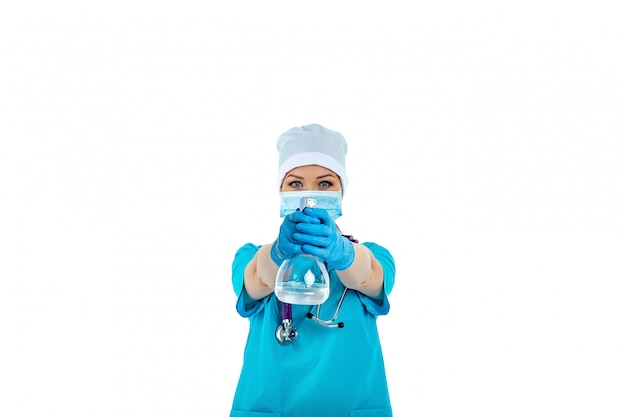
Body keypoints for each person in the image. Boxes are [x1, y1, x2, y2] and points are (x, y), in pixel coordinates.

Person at [230, 124, 396, 417]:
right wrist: (279, 253)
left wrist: (342, 253)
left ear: (341, 192)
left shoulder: (372, 256)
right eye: (295, 183)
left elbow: (369, 275)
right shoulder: (251, 257)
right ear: (281, 190)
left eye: (325, 184)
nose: (309, 193)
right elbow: (257, 279)